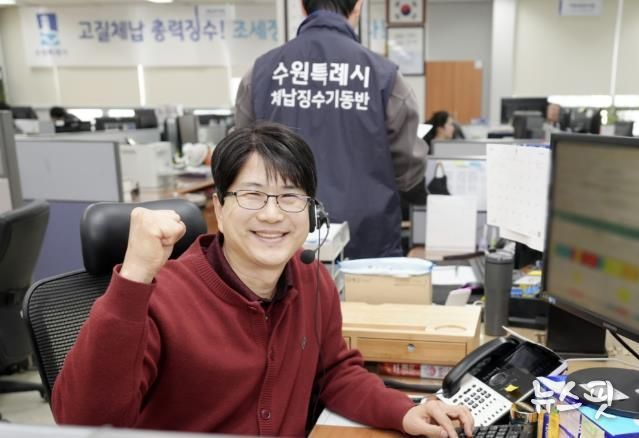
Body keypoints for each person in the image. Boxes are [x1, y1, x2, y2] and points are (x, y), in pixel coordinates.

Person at [52, 122, 473, 437]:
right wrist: (134, 278)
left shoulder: (312, 281)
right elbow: (82, 422)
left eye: (290, 196)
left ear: (311, 212)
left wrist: (404, 410)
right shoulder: (159, 296)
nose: (272, 214)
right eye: (252, 195)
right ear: (219, 207)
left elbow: (334, 373)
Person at [234, 0, 427, 259]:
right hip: (366, 239)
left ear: (302, 7)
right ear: (358, 6)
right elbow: (409, 168)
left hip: (280, 236)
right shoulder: (385, 76)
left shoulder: (260, 74)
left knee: (287, 287)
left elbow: (239, 158)